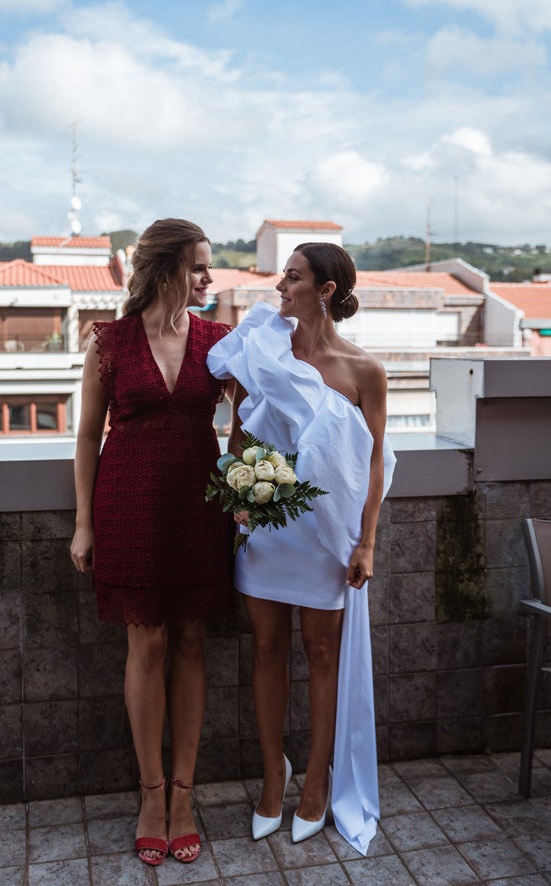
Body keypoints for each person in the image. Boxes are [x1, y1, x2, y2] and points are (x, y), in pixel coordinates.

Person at [207, 241, 395, 856]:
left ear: (326, 290)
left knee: (320, 654)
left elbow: (372, 466)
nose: (281, 286)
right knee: (265, 647)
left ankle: (317, 781)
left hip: (326, 537)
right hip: (265, 529)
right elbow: (237, 437)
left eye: (292, 277)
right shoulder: (262, 353)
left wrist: (366, 543)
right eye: (283, 276)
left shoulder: (364, 371)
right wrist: (238, 494)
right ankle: (272, 776)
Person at [70, 218, 234, 867]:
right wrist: (83, 522)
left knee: (191, 639)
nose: (209, 279)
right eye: (198, 267)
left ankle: (185, 795)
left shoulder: (220, 341)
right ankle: (150, 793)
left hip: (199, 505)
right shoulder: (108, 342)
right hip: (129, 504)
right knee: (148, 642)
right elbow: (86, 436)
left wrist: (249, 490)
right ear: (166, 269)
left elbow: (250, 422)